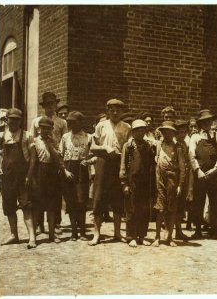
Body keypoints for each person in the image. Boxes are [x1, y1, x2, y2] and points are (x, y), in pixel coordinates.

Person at [88, 98, 131, 246]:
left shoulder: (127, 127)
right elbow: (92, 147)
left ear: (122, 111)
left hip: (118, 164)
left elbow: (129, 148)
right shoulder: (101, 126)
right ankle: (97, 234)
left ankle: (117, 233)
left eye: (118, 109)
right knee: (99, 199)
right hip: (103, 163)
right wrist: (105, 148)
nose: (115, 112)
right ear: (107, 111)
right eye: (112, 109)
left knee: (118, 199)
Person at [0, 108, 36, 249]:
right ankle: (14, 235)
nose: (13, 122)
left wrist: (29, 175)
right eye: (11, 119)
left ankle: (32, 237)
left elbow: (33, 158)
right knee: (9, 207)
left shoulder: (27, 135)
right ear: (7, 120)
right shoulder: (1, 136)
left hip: (22, 178)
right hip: (7, 178)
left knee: (26, 206)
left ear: (20, 121)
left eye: (16, 119)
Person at [30, 92, 68, 235]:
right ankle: (40, 224)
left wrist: (61, 162)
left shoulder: (61, 122)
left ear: (56, 105)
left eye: (52, 104)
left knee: (55, 194)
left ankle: (56, 224)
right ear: (43, 106)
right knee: (39, 194)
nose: (50, 107)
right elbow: (33, 140)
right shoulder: (36, 121)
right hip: (41, 161)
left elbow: (64, 142)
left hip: (55, 160)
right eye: (47, 105)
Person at [189, 109, 217, 239]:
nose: (207, 123)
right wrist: (198, 171)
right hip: (200, 175)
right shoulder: (195, 137)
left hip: (214, 174)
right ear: (200, 123)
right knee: (198, 202)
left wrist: (216, 168)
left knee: (215, 202)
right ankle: (197, 230)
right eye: (204, 122)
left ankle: (216, 231)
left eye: (209, 121)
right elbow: (191, 155)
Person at [59, 111, 95, 241]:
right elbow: (60, 156)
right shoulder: (65, 137)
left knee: (81, 201)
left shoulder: (89, 137)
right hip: (68, 170)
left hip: (82, 170)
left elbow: (94, 154)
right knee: (71, 201)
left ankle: (83, 232)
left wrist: (89, 161)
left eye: (74, 122)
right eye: (69, 122)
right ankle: (74, 232)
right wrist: (65, 171)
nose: (71, 125)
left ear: (81, 122)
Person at [120, 119, 155, 248]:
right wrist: (124, 183)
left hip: (145, 182)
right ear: (133, 132)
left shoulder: (148, 146)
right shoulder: (128, 146)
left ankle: (141, 236)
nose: (140, 133)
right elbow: (123, 165)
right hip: (132, 182)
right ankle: (131, 236)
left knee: (144, 210)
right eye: (137, 131)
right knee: (131, 210)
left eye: (143, 131)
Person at [152, 121, 185, 247]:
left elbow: (182, 168)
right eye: (164, 132)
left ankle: (170, 237)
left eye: (169, 132)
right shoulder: (159, 145)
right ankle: (157, 237)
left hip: (173, 179)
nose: (167, 134)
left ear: (173, 134)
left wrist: (180, 185)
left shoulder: (178, 148)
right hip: (160, 178)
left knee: (171, 209)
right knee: (160, 208)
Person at [173, 119, 192, 240]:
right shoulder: (175, 146)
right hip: (176, 177)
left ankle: (179, 230)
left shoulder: (185, 144)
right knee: (175, 204)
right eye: (179, 132)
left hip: (184, 177)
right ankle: (174, 230)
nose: (182, 134)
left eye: (184, 132)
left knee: (181, 205)